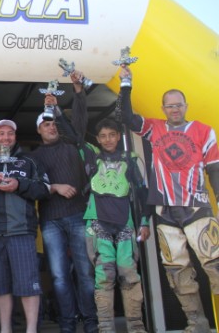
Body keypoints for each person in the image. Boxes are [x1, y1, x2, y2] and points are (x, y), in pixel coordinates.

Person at [119, 66, 219, 333]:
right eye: (170, 106)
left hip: (197, 207)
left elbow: (215, 169)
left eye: (178, 105)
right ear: (163, 108)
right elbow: (126, 117)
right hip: (165, 212)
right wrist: (126, 83)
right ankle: (196, 322)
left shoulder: (204, 131)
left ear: (186, 106)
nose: (175, 110)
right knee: (177, 270)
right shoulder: (154, 128)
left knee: (215, 264)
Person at [29, 71, 98, 333]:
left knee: (85, 272)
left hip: (79, 215)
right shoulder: (34, 157)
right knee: (58, 277)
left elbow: (79, 120)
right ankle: (67, 324)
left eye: (53, 123)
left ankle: (91, 323)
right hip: (50, 221)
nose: (51, 127)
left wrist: (77, 91)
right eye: (45, 124)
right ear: (38, 129)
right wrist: (54, 188)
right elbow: (34, 188)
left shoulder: (72, 145)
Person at [0, 120, 49, 333]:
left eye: (10, 133)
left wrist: (19, 185)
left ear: (15, 137)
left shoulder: (29, 161)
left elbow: (44, 190)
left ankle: (31, 329)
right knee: (0, 286)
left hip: (21, 232)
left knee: (28, 284)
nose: (5, 137)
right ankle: (5, 329)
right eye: (1, 133)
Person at [82, 118, 151, 333]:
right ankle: (105, 328)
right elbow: (74, 133)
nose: (108, 139)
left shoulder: (130, 158)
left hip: (124, 224)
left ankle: (136, 327)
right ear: (97, 139)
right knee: (104, 277)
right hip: (97, 224)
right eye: (103, 136)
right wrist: (58, 108)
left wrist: (145, 221)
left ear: (119, 136)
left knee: (129, 274)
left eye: (112, 135)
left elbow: (143, 192)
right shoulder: (92, 157)